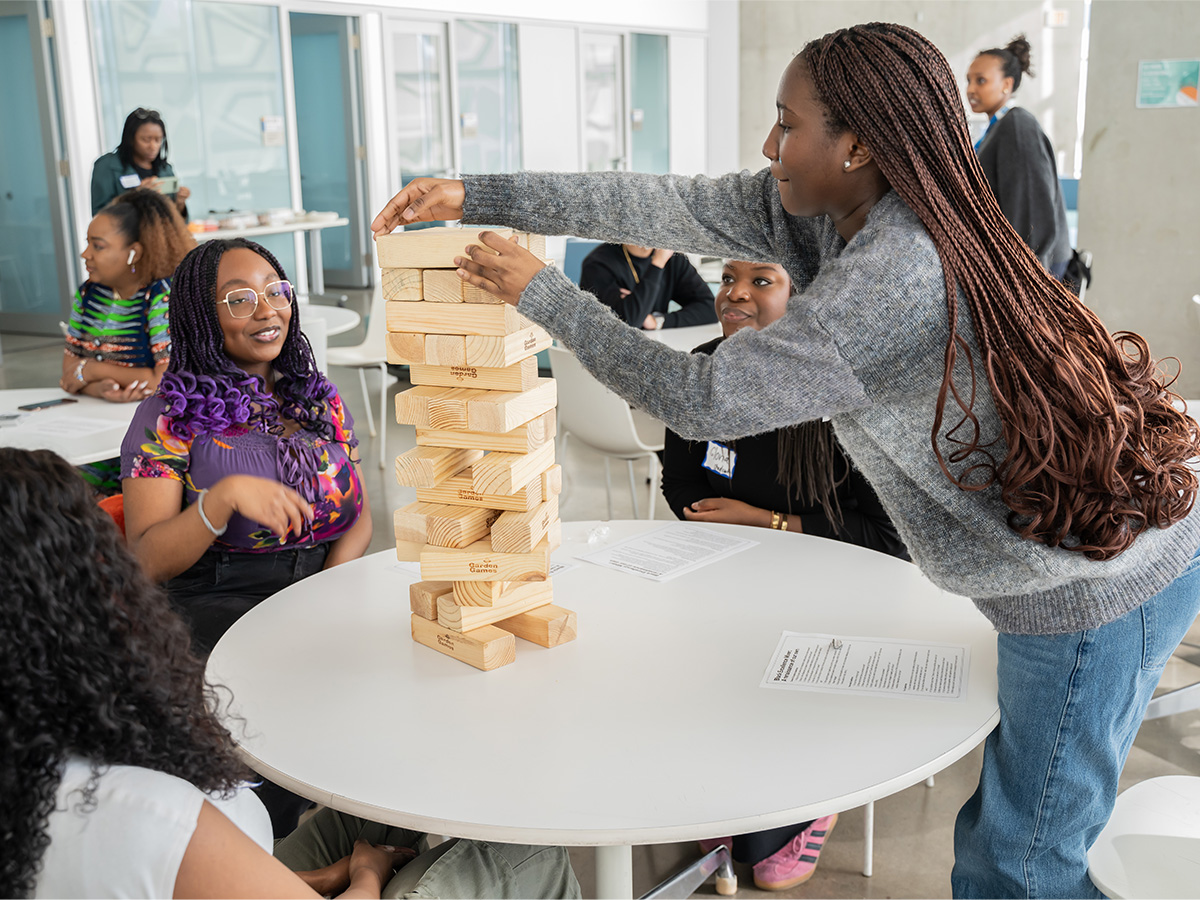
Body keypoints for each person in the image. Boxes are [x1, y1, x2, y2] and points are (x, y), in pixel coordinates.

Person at [372, 22, 1200, 899]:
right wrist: (478, 193)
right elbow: (660, 203)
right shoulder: (847, 214)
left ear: (859, 146)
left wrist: (545, 297)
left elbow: (706, 400)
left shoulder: (893, 274)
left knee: (1018, 866)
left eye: (786, 123)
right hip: (1094, 555)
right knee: (1022, 842)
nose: (770, 146)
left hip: (1091, 588)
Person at [1, 447, 580, 900]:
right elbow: (169, 853)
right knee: (531, 853)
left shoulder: (37, 780)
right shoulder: (150, 812)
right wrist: (368, 879)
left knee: (366, 812)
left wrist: (322, 878)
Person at [666, 259, 906, 890]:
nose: (735, 294)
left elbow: (885, 537)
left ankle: (817, 793)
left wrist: (765, 521)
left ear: (805, 295)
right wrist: (714, 525)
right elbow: (681, 478)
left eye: (761, 280)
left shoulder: (842, 389)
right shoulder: (701, 367)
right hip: (726, 583)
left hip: (832, 597)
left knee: (765, 863)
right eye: (728, 278)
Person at [120, 237, 372, 836]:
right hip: (213, 601)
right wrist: (221, 498)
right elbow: (144, 560)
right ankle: (271, 850)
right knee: (264, 735)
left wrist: (332, 583)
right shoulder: (167, 417)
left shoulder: (319, 399)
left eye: (275, 292)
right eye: (239, 299)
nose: (267, 310)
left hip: (321, 582)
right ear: (204, 318)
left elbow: (357, 508)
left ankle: (366, 833)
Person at [59, 187, 195, 494]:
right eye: (87, 244)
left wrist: (91, 371)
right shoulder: (89, 293)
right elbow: (67, 375)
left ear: (134, 251)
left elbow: (163, 380)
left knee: (65, 496)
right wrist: (99, 387)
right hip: (95, 423)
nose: (86, 255)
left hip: (151, 436)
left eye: (98, 246)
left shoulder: (161, 296)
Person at [966, 35, 1072, 278]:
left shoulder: (1017, 126)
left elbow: (1032, 210)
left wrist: (1029, 280)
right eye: (969, 81)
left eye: (981, 81)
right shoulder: (996, 129)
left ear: (1007, 84)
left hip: (1036, 269)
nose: (970, 89)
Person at [579, 242, 717, 330]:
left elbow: (710, 309)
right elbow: (630, 322)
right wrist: (657, 264)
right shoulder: (598, 265)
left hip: (656, 346)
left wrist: (657, 321)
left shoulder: (673, 259)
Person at [91, 107, 191, 218]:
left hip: (160, 234)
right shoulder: (107, 166)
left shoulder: (165, 169)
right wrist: (136, 196)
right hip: (127, 235)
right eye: (146, 140)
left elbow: (177, 222)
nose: (153, 146)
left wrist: (180, 204)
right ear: (130, 138)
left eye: (158, 140)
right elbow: (99, 216)